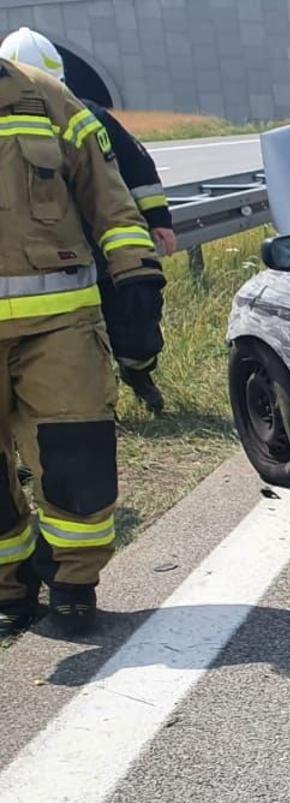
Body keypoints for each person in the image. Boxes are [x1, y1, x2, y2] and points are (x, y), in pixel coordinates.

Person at [0, 54, 165, 637]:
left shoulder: (44, 97)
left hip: (60, 325)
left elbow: (108, 194)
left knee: (77, 455)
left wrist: (136, 274)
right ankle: (7, 588)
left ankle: (73, 583)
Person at [1, 27, 170, 413]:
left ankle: (137, 373)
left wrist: (157, 219)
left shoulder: (82, 113)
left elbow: (133, 165)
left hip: (95, 243)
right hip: (50, 254)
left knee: (128, 321)